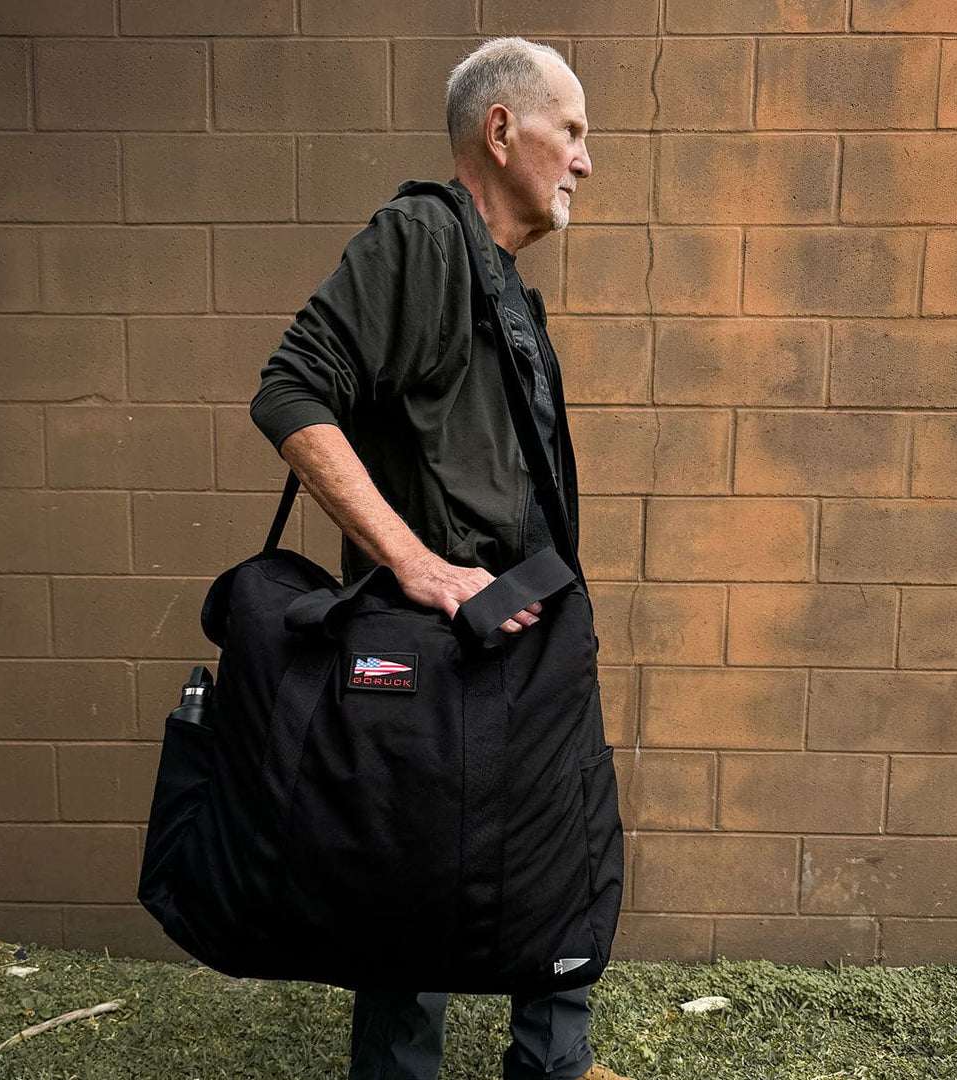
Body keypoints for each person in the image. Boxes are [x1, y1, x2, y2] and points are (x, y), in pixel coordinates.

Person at [250, 36, 630, 1080]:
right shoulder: (421, 237)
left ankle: (552, 1063)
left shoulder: (503, 282)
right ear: (501, 130)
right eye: (571, 131)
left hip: (528, 636)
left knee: (557, 851)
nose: (586, 159)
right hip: (435, 645)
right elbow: (290, 392)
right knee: (412, 875)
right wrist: (414, 564)